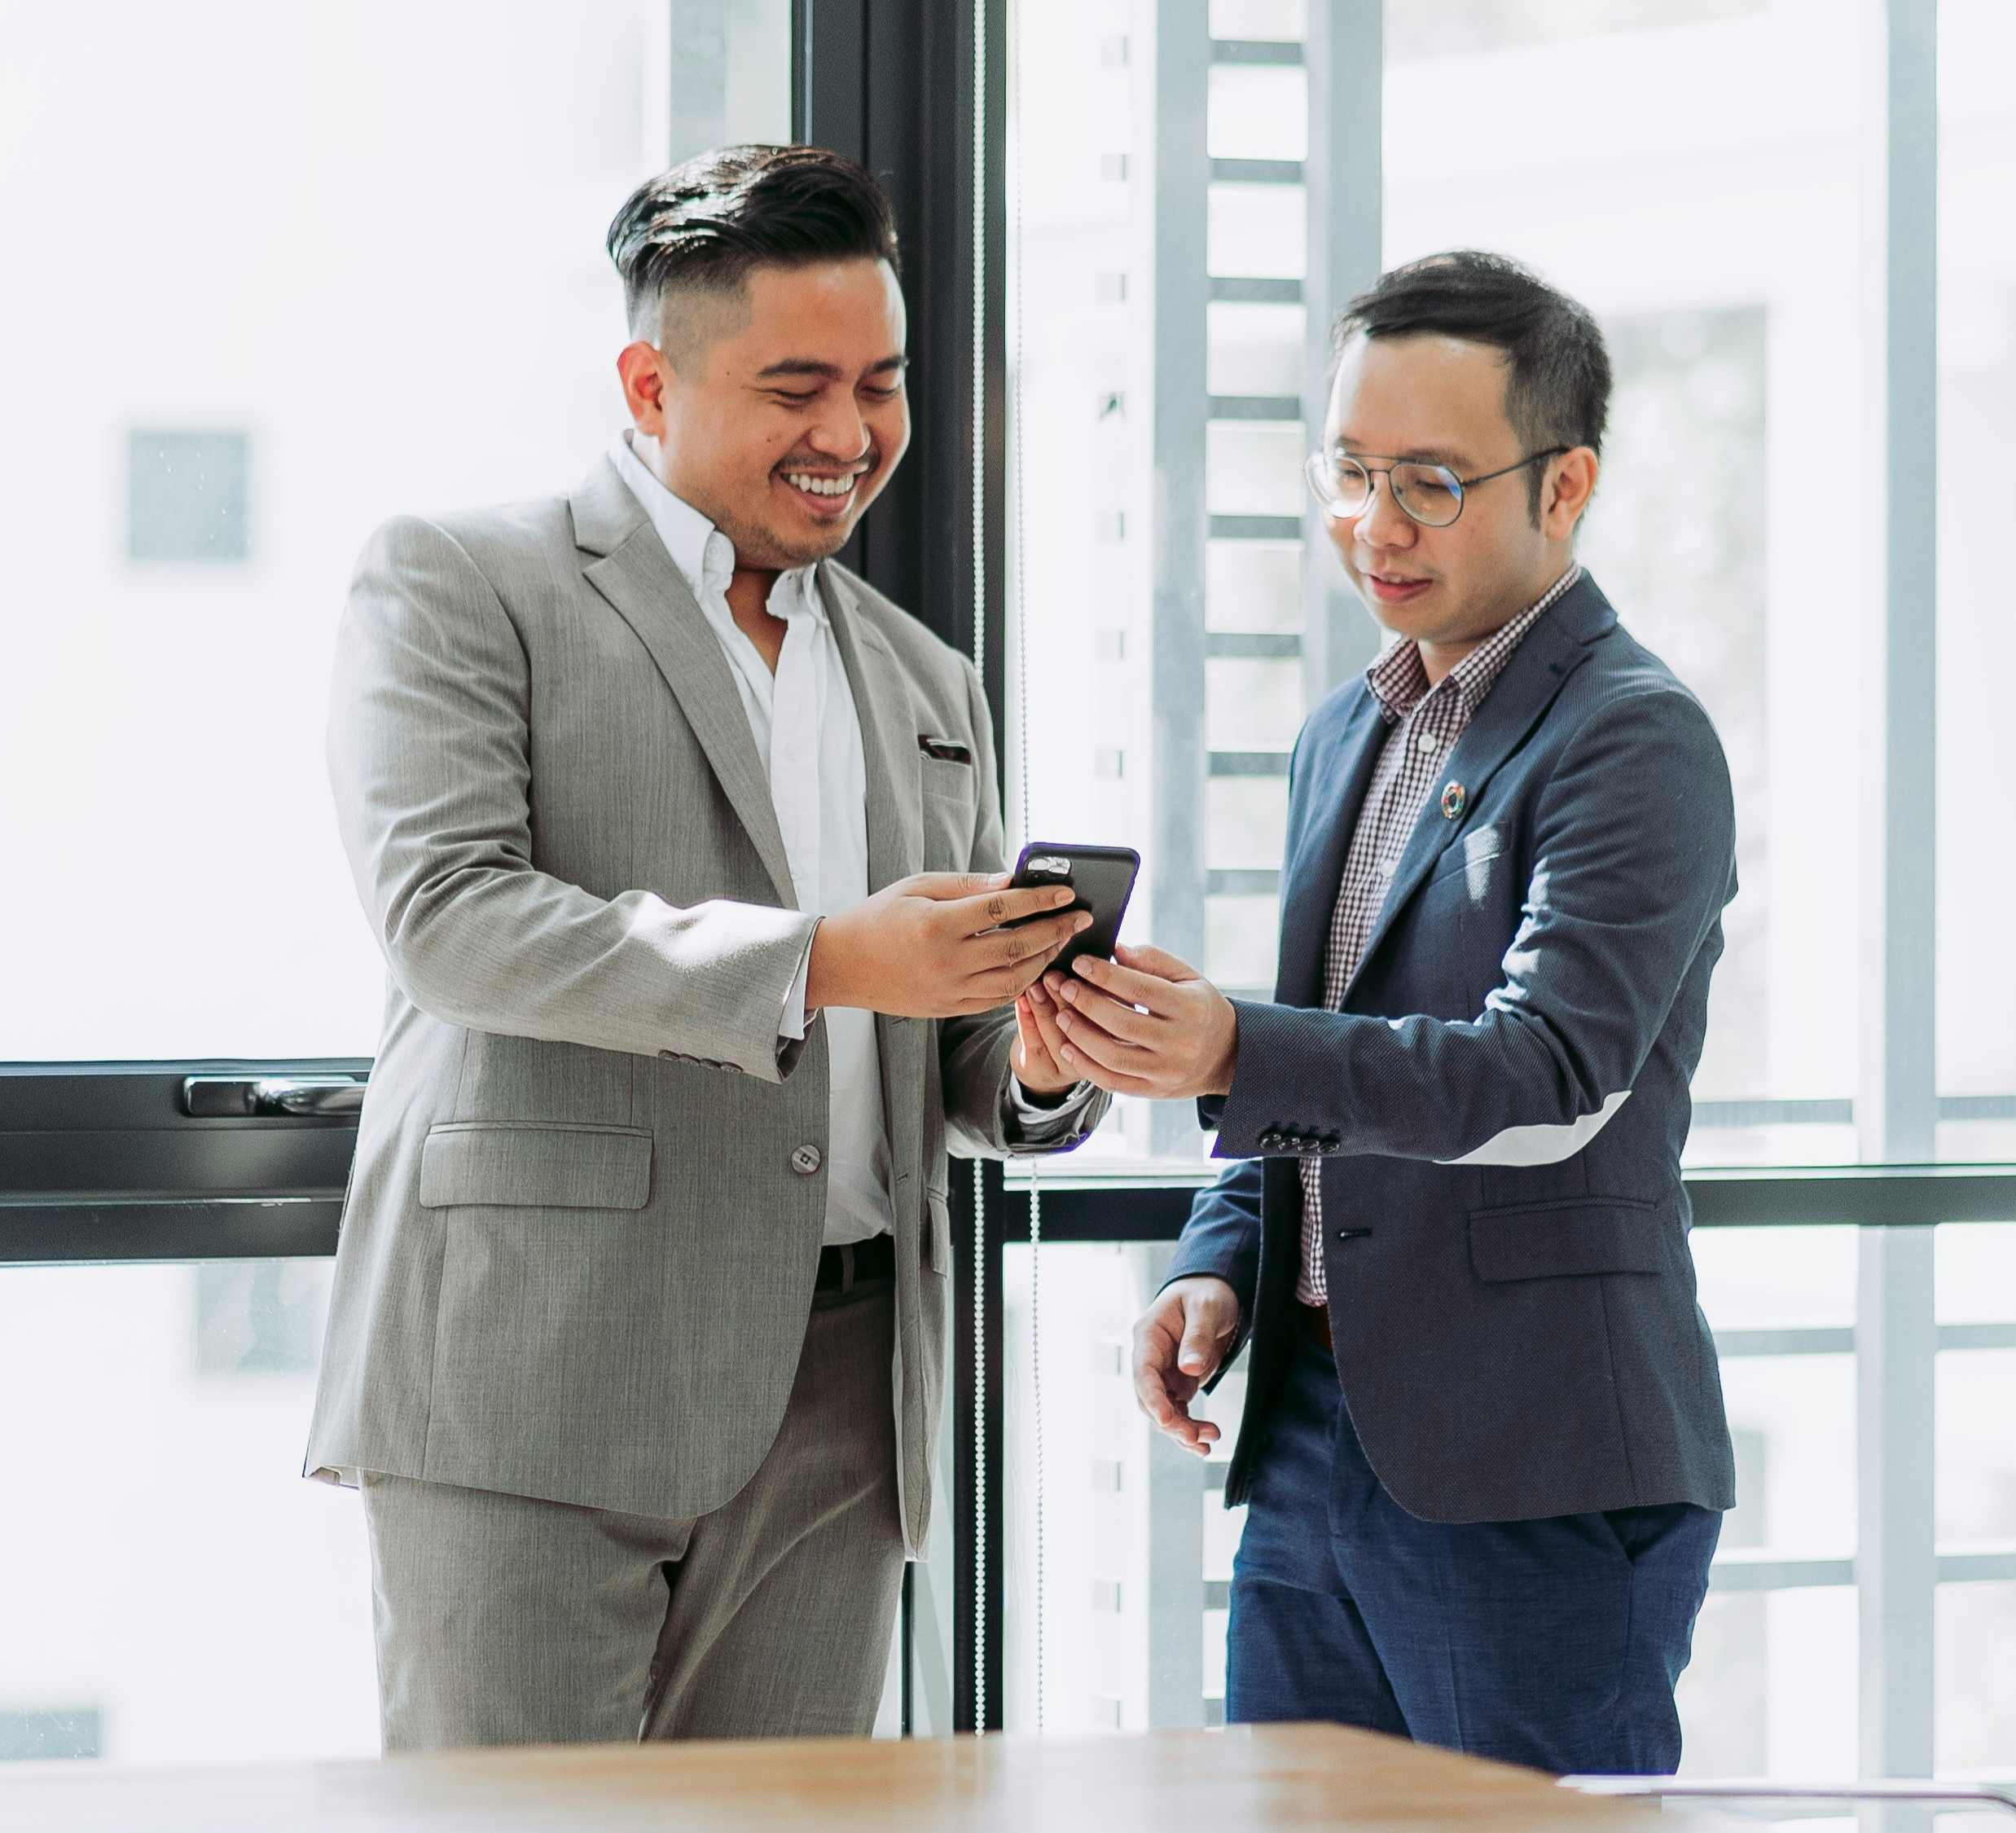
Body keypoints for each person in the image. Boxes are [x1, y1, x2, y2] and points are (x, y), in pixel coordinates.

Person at [305, 144, 1105, 1750]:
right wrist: (817, 960)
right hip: (537, 1372)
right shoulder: (465, 585)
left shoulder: (926, 679)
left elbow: (928, 1049)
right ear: (647, 383)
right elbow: (450, 924)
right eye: (793, 384)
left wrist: (1025, 1056)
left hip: (847, 1403)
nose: (850, 434)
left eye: (878, 384)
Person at [1026, 251, 1737, 1775]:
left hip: (1529, 1462)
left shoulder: (1634, 738)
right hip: (1310, 1438)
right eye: (1348, 471)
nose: (1374, 524)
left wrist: (1227, 1045)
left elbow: (1546, 1074)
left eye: (1428, 479)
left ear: (1567, 486)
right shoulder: (1348, 729)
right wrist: (1224, 1259)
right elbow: (1328, 1053)